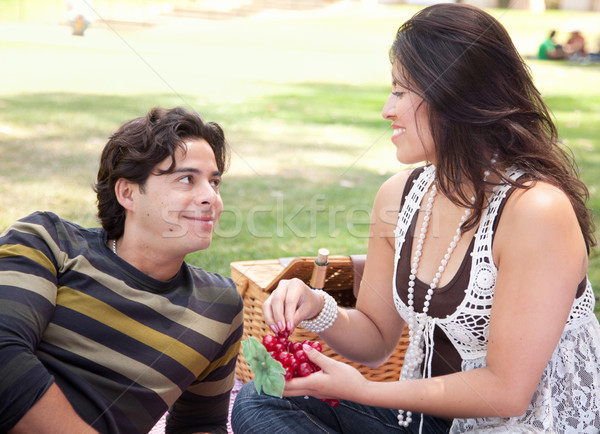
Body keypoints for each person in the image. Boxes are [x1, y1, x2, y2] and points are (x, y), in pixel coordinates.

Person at [231, 4, 600, 433]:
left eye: (401, 92)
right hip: (423, 421)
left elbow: (506, 393)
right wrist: (317, 307)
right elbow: (373, 339)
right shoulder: (401, 196)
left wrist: (363, 391)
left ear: (456, 96)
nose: (387, 109)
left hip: (523, 426)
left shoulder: (535, 210)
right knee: (261, 399)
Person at [0, 106, 243, 433]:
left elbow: (201, 423)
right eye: (187, 179)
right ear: (127, 193)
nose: (211, 198)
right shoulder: (48, 240)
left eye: (214, 182)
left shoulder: (219, 306)